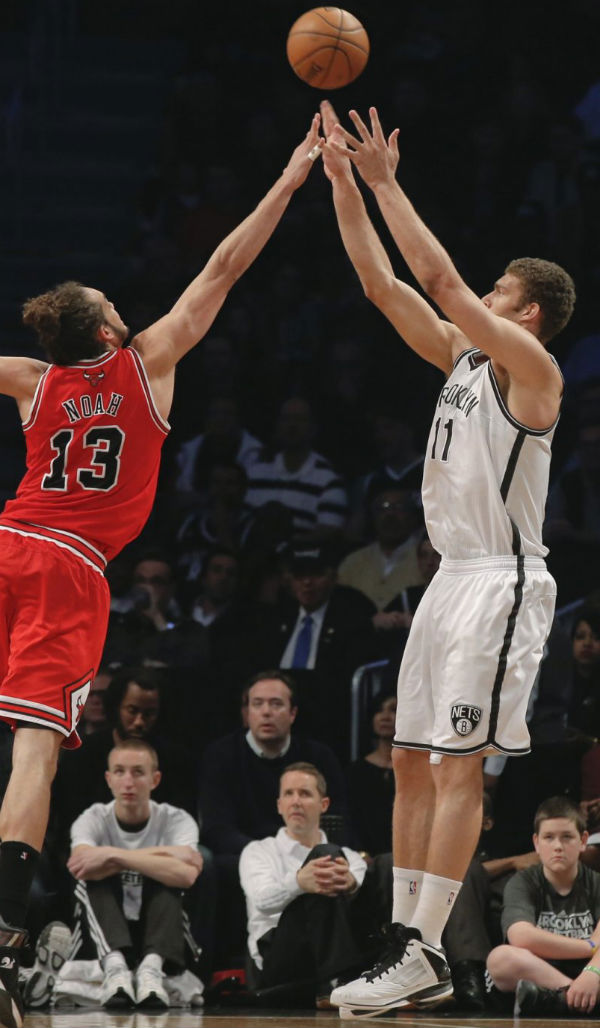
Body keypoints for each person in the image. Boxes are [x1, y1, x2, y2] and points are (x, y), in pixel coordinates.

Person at [0, 112, 322, 1027]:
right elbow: (224, 266)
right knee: (32, 750)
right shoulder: (148, 361)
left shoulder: (32, 378)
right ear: (105, 324)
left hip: (5, 543)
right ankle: (4, 934)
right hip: (65, 563)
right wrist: (292, 173)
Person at [318, 98, 576, 1016]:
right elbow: (388, 285)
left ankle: (427, 943)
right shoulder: (465, 364)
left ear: (528, 312)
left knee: (460, 768)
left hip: (503, 582)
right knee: (411, 761)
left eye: (500, 291)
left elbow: (442, 283)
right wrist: (347, 185)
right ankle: (408, 947)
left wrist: (392, 184)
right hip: (449, 581)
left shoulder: (533, 375)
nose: (480, 299)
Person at [67, 738, 202, 1009]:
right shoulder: (92, 818)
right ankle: (116, 968)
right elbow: (80, 866)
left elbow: (186, 876)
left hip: (162, 932)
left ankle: (151, 970)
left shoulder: (176, 820)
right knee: (91, 880)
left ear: (155, 779)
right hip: (105, 932)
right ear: (108, 779)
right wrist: (163, 856)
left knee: (168, 881)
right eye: (119, 771)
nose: (128, 781)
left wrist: (112, 855)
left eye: (138, 772)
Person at [239, 763, 377, 1005]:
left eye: (305, 794)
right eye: (288, 794)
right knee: (324, 857)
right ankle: (338, 978)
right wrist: (299, 882)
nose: (296, 801)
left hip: (342, 949)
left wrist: (352, 885)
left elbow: (365, 912)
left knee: (383, 866)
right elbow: (262, 902)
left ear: (324, 804)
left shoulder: (351, 858)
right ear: (279, 805)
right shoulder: (258, 850)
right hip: (279, 958)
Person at [486, 795, 600, 1018]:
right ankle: (581, 1000)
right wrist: (590, 946)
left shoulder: (596, 883)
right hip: (539, 971)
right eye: (549, 837)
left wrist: (593, 972)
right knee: (500, 959)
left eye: (567, 837)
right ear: (537, 843)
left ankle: (560, 1001)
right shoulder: (522, 883)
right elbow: (521, 937)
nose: (558, 846)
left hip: (589, 972)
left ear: (583, 840)